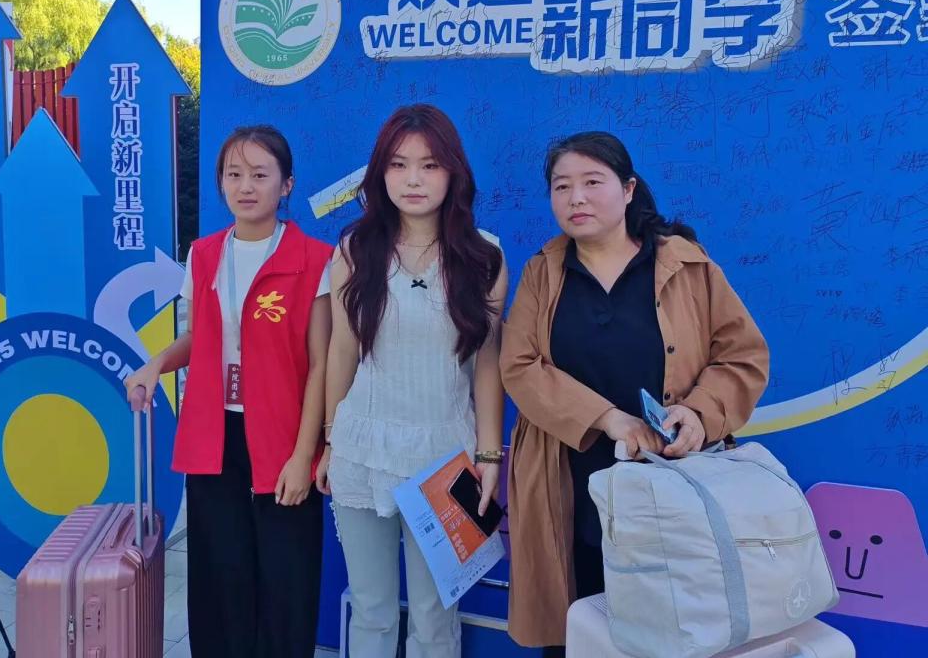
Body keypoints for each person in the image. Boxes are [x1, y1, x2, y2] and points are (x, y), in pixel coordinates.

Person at [500, 131, 770, 654]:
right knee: (577, 626)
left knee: (669, 628)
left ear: (628, 190)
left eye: (592, 182)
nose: (576, 198)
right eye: (562, 186)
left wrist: (698, 414)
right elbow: (519, 365)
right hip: (569, 479)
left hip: (670, 483)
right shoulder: (542, 272)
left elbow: (743, 356)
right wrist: (610, 419)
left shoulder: (686, 265)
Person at [125, 125, 332, 658]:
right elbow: (199, 337)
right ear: (220, 182)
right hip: (215, 433)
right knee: (221, 574)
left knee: (286, 578)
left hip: (283, 436)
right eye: (234, 175)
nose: (246, 186)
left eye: (260, 175)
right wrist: (155, 365)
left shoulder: (316, 259)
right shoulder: (204, 254)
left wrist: (304, 455)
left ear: (286, 184)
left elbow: (321, 365)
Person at [318, 104, 507, 658]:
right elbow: (342, 351)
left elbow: (487, 363)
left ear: (453, 172)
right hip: (362, 448)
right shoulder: (355, 250)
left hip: (446, 457)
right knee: (372, 610)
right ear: (381, 174)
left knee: (434, 614)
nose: (413, 180)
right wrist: (331, 440)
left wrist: (489, 457)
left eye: (429, 165)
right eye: (398, 165)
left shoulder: (485, 256)